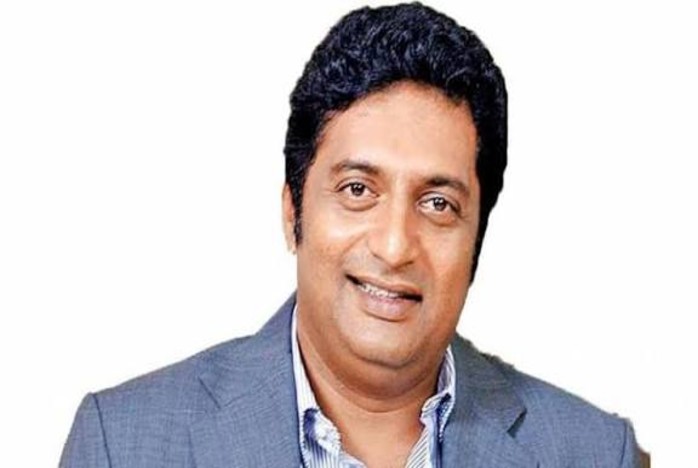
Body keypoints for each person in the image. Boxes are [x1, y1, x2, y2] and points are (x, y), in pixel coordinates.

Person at [60, 3, 643, 467]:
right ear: (292, 212)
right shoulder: (123, 446)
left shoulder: (593, 453)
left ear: (476, 241)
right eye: (358, 189)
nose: (394, 245)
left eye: (438, 203)